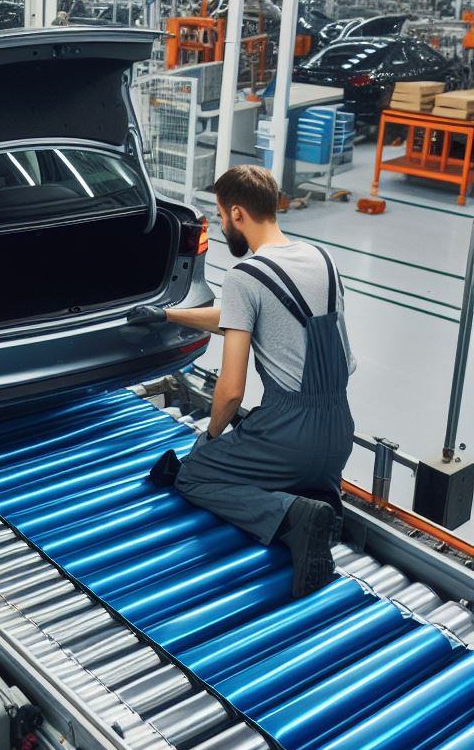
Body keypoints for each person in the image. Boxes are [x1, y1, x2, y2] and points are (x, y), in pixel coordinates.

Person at [129, 165, 355, 598]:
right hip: (337, 434)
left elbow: (232, 391)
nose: (218, 225)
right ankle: (319, 502)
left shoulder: (244, 276)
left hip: (290, 435)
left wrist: (209, 437)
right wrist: (169, 314)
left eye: (218, 216)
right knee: (281, 462)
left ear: (236, 214)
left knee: (192, 475)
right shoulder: (321, 260)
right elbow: (241, 318)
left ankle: (294, 517)